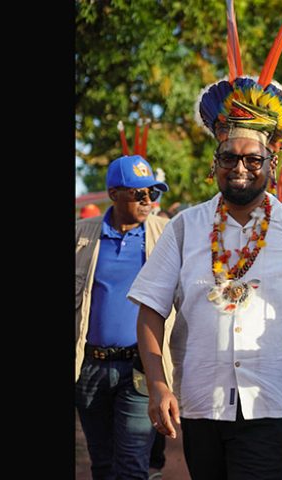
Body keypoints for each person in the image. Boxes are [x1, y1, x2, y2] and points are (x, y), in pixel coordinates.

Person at [127, 2, 282, 478]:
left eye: (254, 160)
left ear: (273, 167)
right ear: (215, 163)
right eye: (229, 157)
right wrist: (158, 383)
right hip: (200, 405)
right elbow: (150, 307)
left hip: (276, 406)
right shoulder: (186, 226)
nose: (241, 168)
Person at [75, 149, 172, 480]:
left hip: (140, 369)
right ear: (114, 194)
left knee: (132, 465)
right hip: (90, 368)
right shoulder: (82, 236)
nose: (148, 200)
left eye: (152, 192)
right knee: (102, 464)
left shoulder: (166, 234)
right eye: (139, 193)